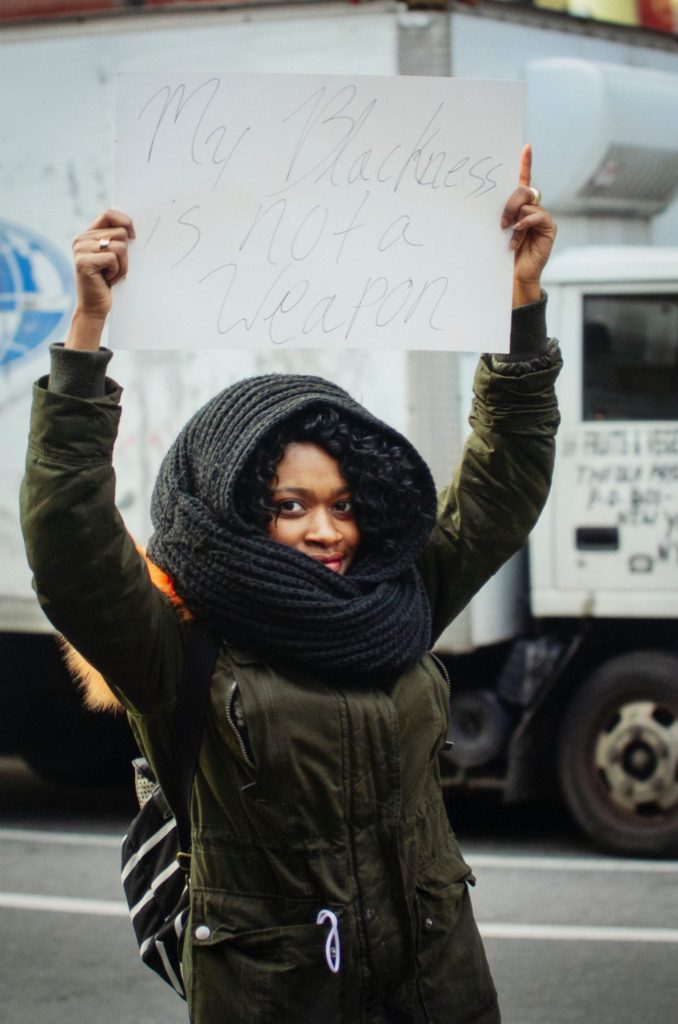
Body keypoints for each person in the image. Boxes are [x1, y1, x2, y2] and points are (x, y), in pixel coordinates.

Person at [21, 144, 560, 1024]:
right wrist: (86, 337)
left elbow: (503, 482)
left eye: (344, 504)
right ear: (238, 508)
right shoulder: (178, 647)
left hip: (439, 990)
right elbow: (67, 538)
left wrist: (521, 305)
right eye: (289, 505)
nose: (325, 530)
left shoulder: (395, 603)